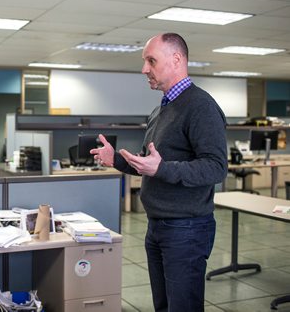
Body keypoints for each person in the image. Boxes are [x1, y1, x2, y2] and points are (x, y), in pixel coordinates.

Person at [91, 33, 228, 312]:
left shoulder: (201, 106)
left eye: (151, 61)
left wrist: (162, 168)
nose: (144, 69)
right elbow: (149, 164)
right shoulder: (160, 110)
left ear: (176, 59)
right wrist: (115, 159)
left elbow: (216, 167)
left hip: (186, 228)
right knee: (164, 306)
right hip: (158, 225)